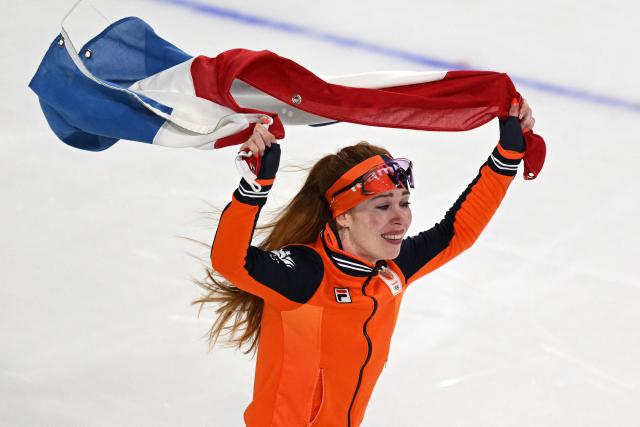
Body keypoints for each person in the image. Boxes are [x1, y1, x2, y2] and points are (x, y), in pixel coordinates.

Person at [195, 99, 535, 427]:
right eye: (383, 207)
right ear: (342, 216)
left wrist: (506, 156)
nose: (401, 218)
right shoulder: (307, 274)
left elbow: (457, 232)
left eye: (404, 202)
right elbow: (230, 261)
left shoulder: (391, 272)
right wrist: (253, 190)